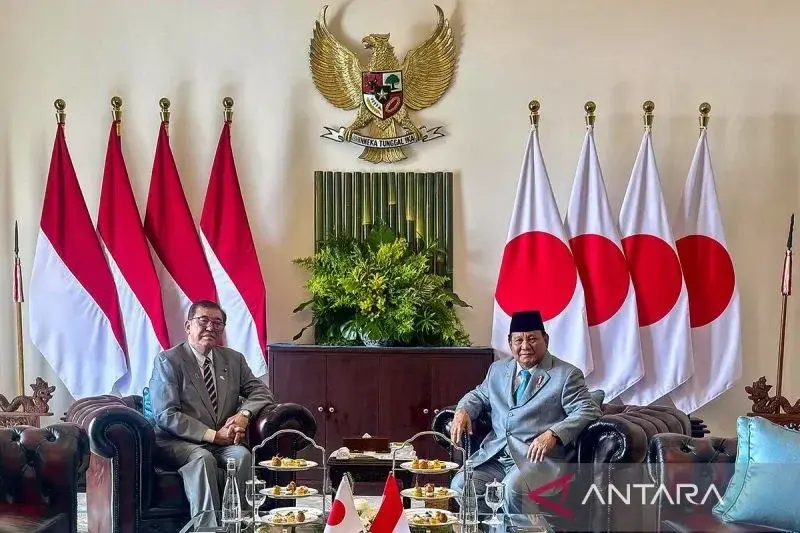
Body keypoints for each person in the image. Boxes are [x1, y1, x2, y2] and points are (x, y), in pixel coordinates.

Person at [449, 310, 601, 514]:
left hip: (537, 461)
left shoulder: (566, 375)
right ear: (510, 342)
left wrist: (553, 434)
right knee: (461, 485)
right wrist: (462, 410)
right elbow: (479, 396)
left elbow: (587, 409)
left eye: (532, 339)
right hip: (495, 457)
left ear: (545, 339)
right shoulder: (497, 370)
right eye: (518, 340)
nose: (525, 346)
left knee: (514, 488)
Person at [148, 300, 274, 517]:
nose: (210, 327)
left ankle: (240, 522)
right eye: (203, 321)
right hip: (178, 441)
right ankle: (207, 527)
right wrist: (214, 436)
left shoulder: (234, 359)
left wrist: (244, 415)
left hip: (222, 441)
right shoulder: (169, 360)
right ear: (188, 326)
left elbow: (262, 392)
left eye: (217, 323)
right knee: (202, 459)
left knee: (242, 456)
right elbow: (166, 415)